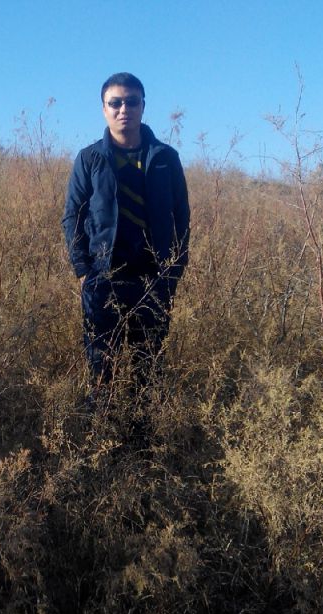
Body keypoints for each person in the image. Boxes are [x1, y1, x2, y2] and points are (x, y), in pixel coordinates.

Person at [62, 72, 190, 393]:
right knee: (101, 373)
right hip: (103, 280)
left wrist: (173, 273)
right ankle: (102, 425)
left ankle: (143, 427)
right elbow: (72, 217)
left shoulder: (166, 158)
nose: (124, 109)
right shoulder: (90, 158)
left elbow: (182, 218)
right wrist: (83, 272)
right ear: (103, 109)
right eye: (115, 103)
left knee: (148, 372)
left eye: (131, 102)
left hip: (153, 280)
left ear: (143, 106)